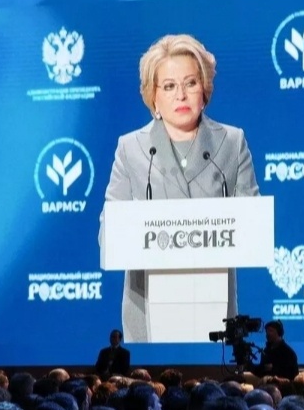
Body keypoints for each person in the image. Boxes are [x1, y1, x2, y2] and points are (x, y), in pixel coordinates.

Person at [100, 33, 261, 343]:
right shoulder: (131, 149)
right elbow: (109, 233)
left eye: (190, 83)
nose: (181, 96)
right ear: (153, 96)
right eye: (169, 86)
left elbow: (251, 225)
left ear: (204, 88)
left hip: (214, 305)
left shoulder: (232, 142)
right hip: (148, 305)